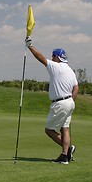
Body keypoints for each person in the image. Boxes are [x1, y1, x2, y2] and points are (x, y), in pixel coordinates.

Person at [25, 36, 79, 164]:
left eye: (53, 56)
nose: (52, 58)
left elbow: (41, 58)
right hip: (70, 102)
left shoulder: (56, 66)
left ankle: (68, 149)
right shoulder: (70, 70)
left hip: (60, 103)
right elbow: (76, 87)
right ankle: (65, 156)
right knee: (64, 129)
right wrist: (71, 101)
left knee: (49, 130)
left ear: (57, 57)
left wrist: (30, 46)